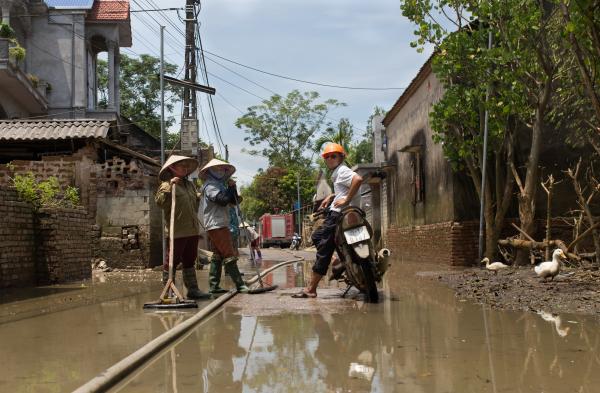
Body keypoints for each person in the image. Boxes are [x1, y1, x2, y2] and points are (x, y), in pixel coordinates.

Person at [292, 143, 363, 298]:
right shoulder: (337, 173)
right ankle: (338, 259)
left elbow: (358, 179)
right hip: (351, 214)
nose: (330, 159)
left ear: (341, 157)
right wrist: (331, 197)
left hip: (338, 215)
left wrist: (346, 200)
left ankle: (311, 289)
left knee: (323, 247)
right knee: (317, 236)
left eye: (334, 156)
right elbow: (343, 189)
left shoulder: (342, 170)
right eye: (327, 157)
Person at [155, 155, 211, 300]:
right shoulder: (166, 185)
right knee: (171, 261)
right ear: (172, 168)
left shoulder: (190, 185)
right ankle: (168, 291)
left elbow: (195, 205)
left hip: (191, 230)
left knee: (189, 260)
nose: (185, 168)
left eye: (187, 166)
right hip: (177, 231)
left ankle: (193, 290)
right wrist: (169, 189)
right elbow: (160, 203)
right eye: (182, 166)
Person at [200, 158, 249, 294]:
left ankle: (214, 286)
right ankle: (240, 284)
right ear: (210, 171)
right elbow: (222, 200)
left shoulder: (220, 185)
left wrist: (233, 188)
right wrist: (230, 189)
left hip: (221, 222)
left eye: (223, 169)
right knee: (229, 253)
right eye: (217, 169)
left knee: (218, 254)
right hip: (215, 223)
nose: (221, 171)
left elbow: (232, 201)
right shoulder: (210, 186)